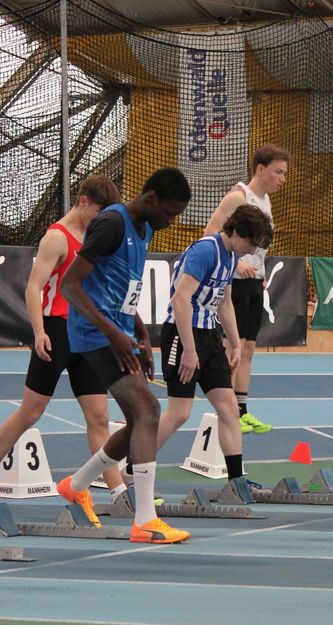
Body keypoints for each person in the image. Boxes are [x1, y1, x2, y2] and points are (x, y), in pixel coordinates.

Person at [58, 168, 192, 544]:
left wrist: (140, 334)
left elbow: (124, 288)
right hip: (93, 335)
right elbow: (70, 285)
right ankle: (145, 520)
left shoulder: (145, 228)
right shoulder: (110, 224)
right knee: (149, 409)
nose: (171, 221)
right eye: (169, 212)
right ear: (150, 198)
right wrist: (113, 334)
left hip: (118, 334)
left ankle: (76, 485)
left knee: (137, 422)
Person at [0, 175, 127, 502]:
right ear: (83, 201)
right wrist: (39, 331)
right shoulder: (56, 238)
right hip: (56, 333)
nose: (101, 221)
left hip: (87, 336)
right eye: (98, 213)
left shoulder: (96, 237)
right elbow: (33, 287)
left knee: (99, 418)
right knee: (30, 414)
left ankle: (119, 494)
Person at [155, 204, 273, 488]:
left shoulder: (231, 257)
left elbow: (224, 303)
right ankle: (134, 467)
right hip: (182, 334)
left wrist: (235, 344)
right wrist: (189, 350)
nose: (251, 251)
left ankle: (236, 481)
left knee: (229, 407)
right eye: (251, 243)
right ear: (236, 231)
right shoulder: (205, 251)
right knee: (179, 413)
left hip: (210, 335)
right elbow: (180, 299)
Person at [204, 143, 289, 434]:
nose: (282, 179)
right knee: (234, 346)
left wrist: (258, 270)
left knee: (249, 347)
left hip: (255, 281)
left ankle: (242, 410)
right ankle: (227, 409)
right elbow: (210, 232)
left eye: (284, 173)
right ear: (261, 169)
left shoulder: (266, 201)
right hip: (236, 282)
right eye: (278, 172)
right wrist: (236, 263)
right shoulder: (238, 197)